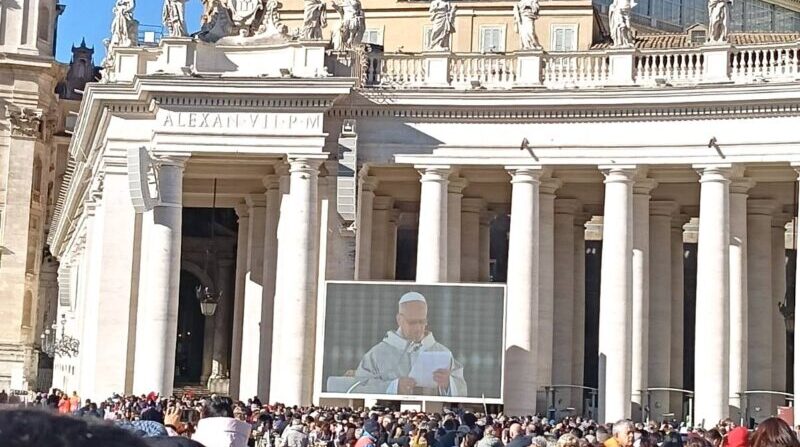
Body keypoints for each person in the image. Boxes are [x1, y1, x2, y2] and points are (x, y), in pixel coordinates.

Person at [354, 292, 468, 397]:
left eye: (422, 322)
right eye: (412, 322)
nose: (418, 328)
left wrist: (448, 383)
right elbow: (358, 387)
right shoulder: (377, 354)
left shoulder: (442, 352)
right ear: (399, 319)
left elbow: (462, 390)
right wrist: (394, 387)